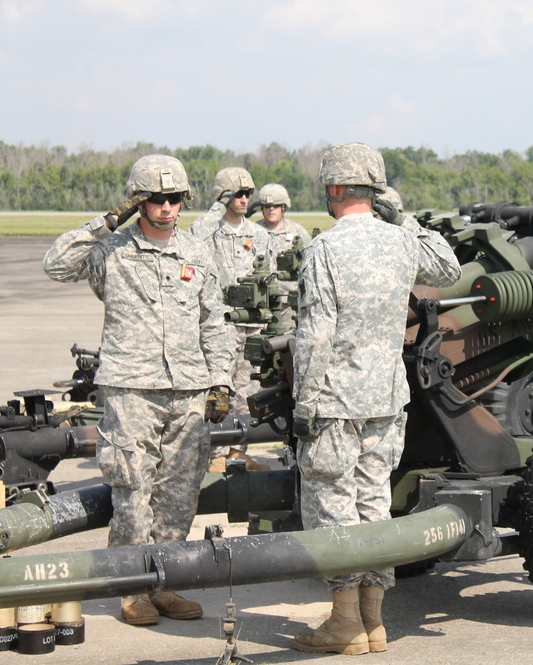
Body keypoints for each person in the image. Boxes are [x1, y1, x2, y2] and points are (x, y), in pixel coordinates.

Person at [43, 155, 235, 626]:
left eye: (174, 199)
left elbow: (216, 322)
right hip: (131, 387)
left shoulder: (196, 253)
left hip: (188, 388)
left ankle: (165, 583)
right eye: (155, 199)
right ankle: (132, 590)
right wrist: (108, 221)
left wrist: (222, 380)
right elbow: (56, 264)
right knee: (133, 489)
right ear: (138, 201)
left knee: (179, 494)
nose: (167, 207)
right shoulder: (113, 252)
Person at [290, 143, 461, 655]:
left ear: (336, 190)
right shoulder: (401, 244)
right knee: (373, 505)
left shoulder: (325, 249)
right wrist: (404, 220)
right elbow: (448, 268)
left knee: (332, 508)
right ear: (377, 190)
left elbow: (314, 336)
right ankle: (373, 622)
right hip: (386, 401)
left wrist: (303, 403)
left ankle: (344, 622)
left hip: (335, 403)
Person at [190, 167, 273, 472]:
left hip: (253, 324)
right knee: (219, 388)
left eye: (247, 193)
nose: (243, 199)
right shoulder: (210, 231)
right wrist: (217, 206)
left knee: (248, 392)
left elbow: (269, 276)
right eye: (237, 194)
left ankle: (237, 451)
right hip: (222, 322)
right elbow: (193, 237)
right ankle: (214, 455)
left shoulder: (260, 235)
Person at [251, 183, 312, 255]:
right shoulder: (252, 232)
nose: (271, 209)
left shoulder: (298, 232)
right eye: (267, 206)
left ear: (283, 207)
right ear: (262, 207)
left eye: (276, 205)